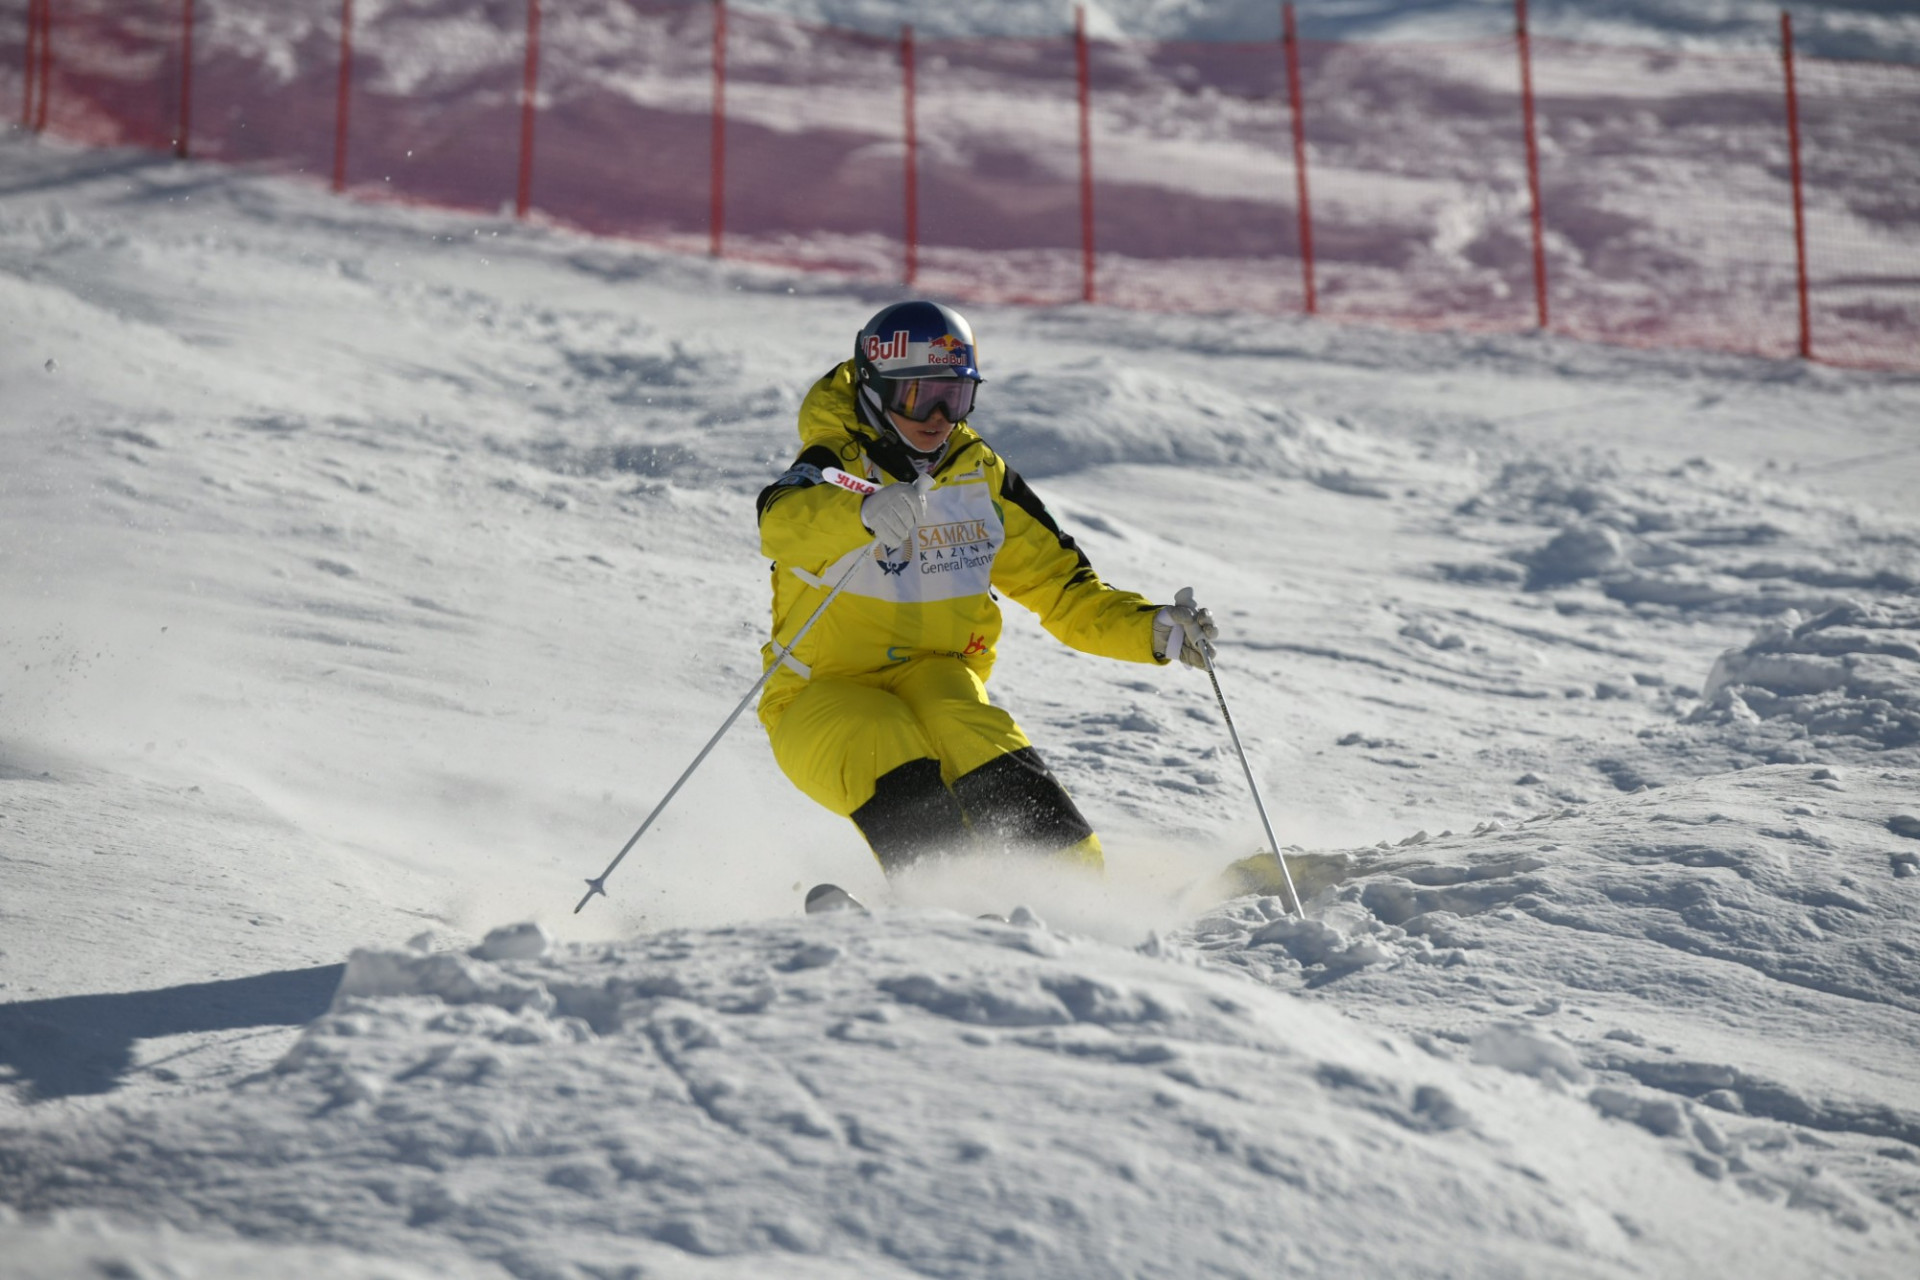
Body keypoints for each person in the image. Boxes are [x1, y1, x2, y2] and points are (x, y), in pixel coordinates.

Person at [755, 300, 1216, 874]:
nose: (940, 416)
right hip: (819, 691)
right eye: (920, 396)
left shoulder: (979, 475)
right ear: (876, 389)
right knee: (884, 737)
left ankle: (1078, 893)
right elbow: (781, 520)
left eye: (957, 396)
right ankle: (942, 902)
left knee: (979, 740)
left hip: (937, 678)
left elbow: (1062, 587)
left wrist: (1149, 629)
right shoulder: (834, 461)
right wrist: (863, 514)